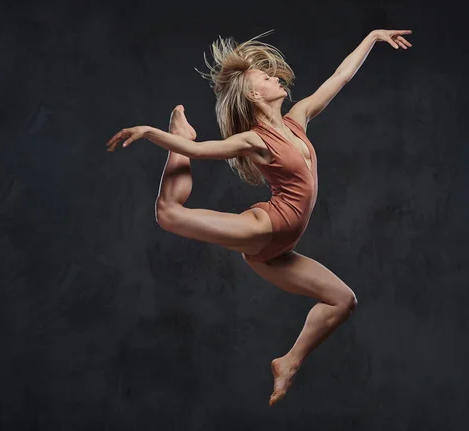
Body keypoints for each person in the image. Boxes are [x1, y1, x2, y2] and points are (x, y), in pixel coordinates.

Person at [106, 28, 412, 405]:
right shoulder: (255, 140)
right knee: (169, 214)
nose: (275, 77)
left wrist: (373, 37)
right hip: (265, 229)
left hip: (280, 251)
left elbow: (341, 77)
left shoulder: (298, 118)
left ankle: (288, 362)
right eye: (265, 78)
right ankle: (176, 123)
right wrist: (155, 133)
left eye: (272, 74)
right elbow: (200, 151)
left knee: (341, 300)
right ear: (254, 95)